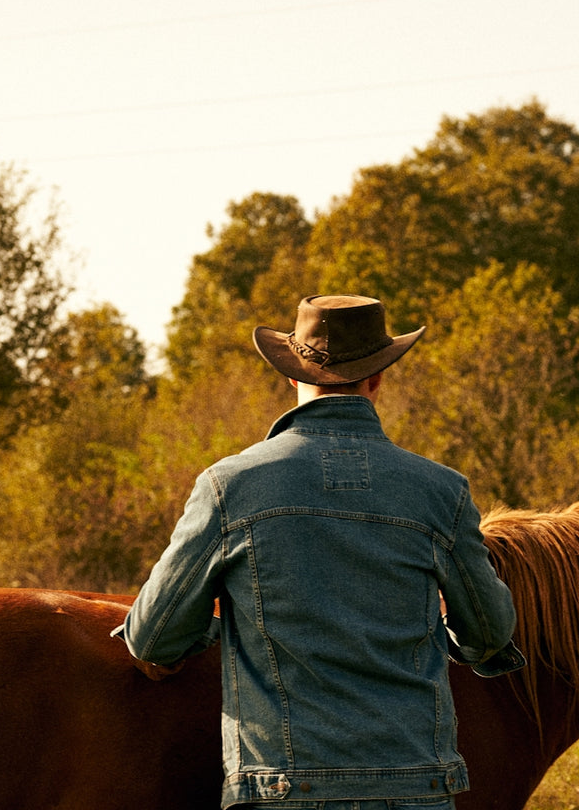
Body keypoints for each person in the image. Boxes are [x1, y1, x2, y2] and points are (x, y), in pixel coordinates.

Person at [116, 294, 523, 810]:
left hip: (283, 791)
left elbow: (153, 637)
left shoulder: (228, 487)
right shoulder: (442, 492)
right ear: (378, 378)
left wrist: (233, 632)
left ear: (291, 377)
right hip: (415, 788)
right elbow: (490, 634)